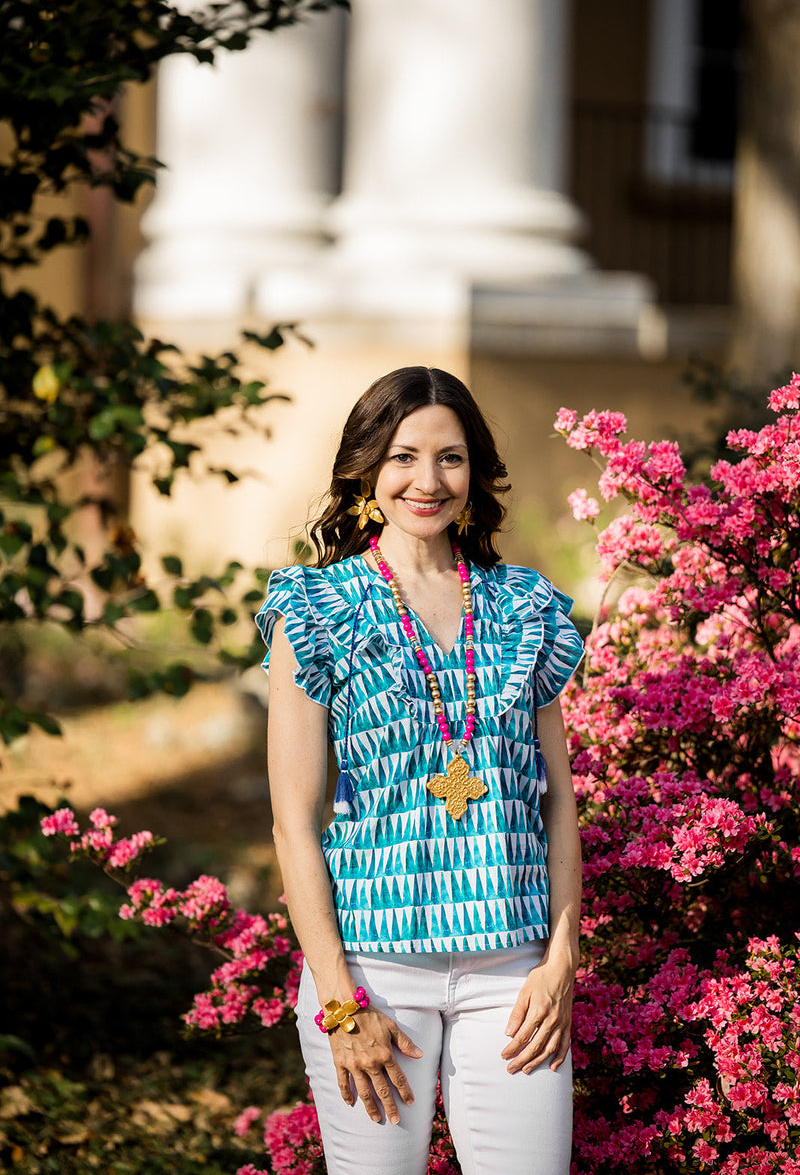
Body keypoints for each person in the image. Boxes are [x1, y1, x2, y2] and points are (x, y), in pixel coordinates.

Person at [256, 366, 584, 1175]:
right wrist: (339, 1002)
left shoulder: (526, 608)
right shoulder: (316, 610)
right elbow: (292, 822)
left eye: (451, 458)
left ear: (475, 472)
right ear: (368, 469)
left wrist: (562, 960)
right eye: (404, 457)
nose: (427, 481)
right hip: (371, 976)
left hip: (513, 977)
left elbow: (560, 807)